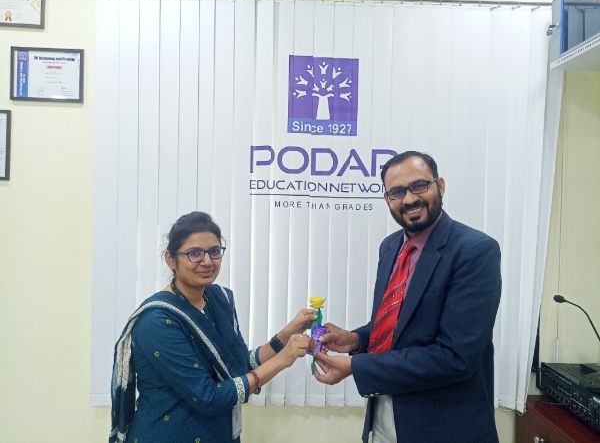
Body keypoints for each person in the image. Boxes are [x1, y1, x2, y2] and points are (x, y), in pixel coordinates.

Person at [313, 151, 502, 443]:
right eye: (397, 191)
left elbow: (455, 357)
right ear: (387, 198)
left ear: (440, 185)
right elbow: (399, 325)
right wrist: (357, 340)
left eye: (419, 186)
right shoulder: (390, 247)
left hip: (444, 429)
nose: (410, 199)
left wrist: (355, 367)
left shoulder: (475, 251)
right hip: (383, 420)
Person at [110, 211, 315, 443]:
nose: (207, 261)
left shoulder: (219, 300)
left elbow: (238, 365)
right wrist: (283, 359)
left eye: (214, 251)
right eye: (194, 253)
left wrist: (286, 335)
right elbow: (207, 397)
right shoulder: (157, 321)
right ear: (170, 259)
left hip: (217, 433)